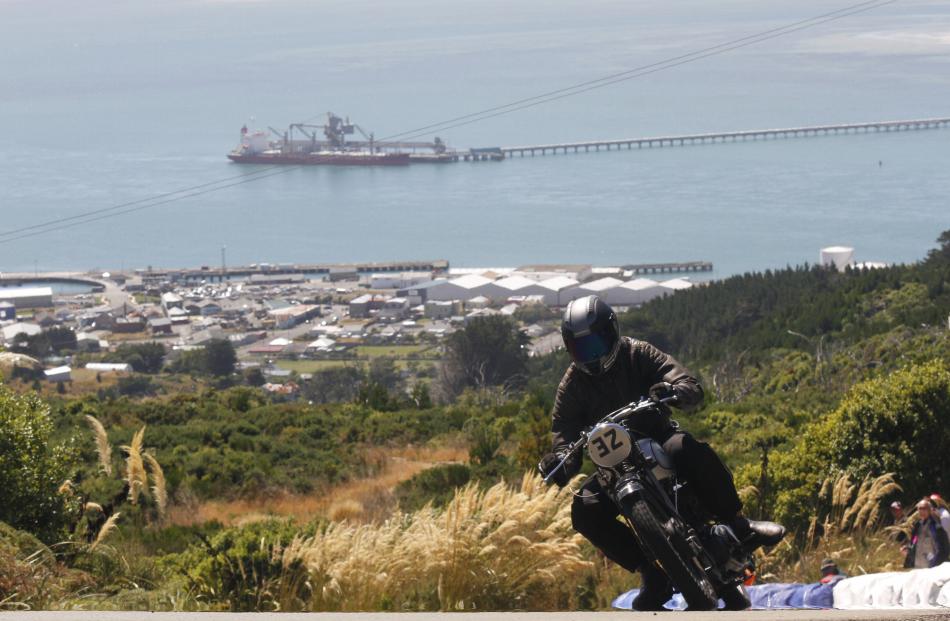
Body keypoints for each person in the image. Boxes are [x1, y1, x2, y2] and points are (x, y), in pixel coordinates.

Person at [538, 295, 785, 611]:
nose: (590, 355)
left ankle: (738, 526)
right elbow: (563, 433)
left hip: (657, 436)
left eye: (595, 345)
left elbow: (683, 380)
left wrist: (675, 390)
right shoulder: (571, 386)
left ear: (611, 333)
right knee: (584, 509)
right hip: (613, 465)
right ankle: (651, 574)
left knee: (688, 448)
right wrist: (560, 460)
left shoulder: (637, 353)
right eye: (581, 349)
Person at [902, 498, 950, 569]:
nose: (922, 511)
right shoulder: (917, 525)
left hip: (931, 568)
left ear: (929, 510)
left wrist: (934, 564)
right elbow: (914, 542)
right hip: (917, 567)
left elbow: (943, 548)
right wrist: (908, 549)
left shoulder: (935, 527)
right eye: (919, 509)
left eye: (924, 508)